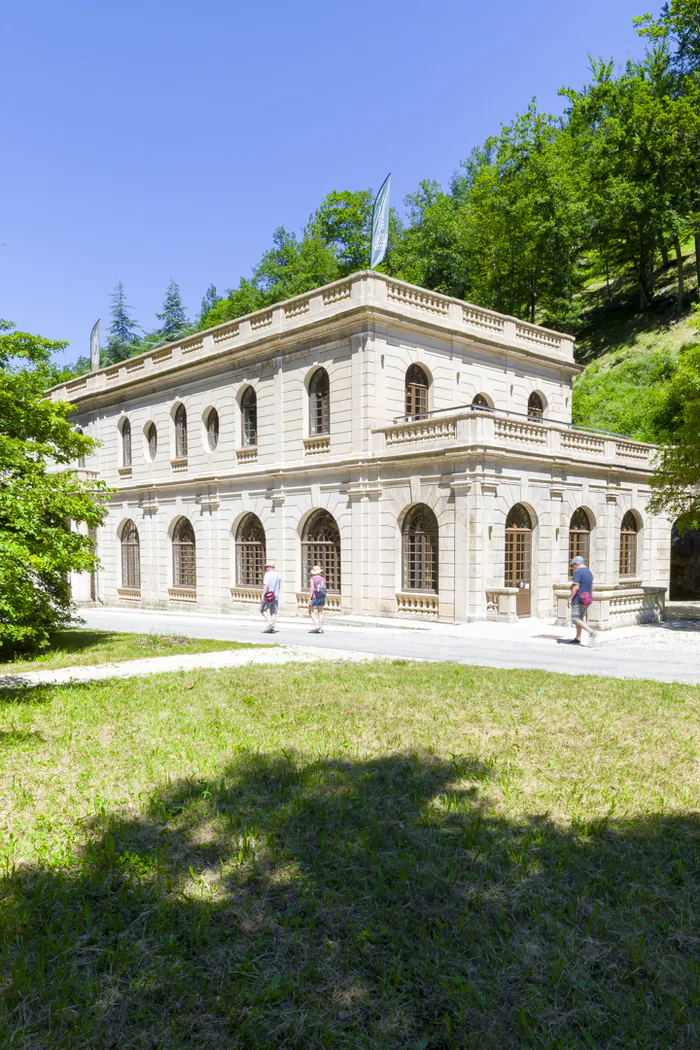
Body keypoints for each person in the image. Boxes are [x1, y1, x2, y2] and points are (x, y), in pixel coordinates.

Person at [568, 555, 597, 645]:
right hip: (587, 599)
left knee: (575, 618)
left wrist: (570, 598)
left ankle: (591, 632)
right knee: (580, 618)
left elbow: (576, 587)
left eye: (573, 566)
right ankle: (578, 637)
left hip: (578, 599)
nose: (573, 568)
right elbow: (592, 587)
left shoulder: (578, 572)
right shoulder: (589, 572)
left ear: (576, 564)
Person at [260, 560, 281, 633]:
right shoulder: (278, 575)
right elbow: (279, 586)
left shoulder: (267, 574)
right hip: (276, 596)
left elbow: (266, 586)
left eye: (267, 567)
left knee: (263, 610)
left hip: (269, 596)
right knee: (273, 612)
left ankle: (270, 623)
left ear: (270, 567)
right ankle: (273, 627)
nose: (266, 568)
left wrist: (262, 595)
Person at [308, 564, 327, 633]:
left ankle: (317, 624)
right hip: (322, 596)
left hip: (315, 597)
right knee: (320, 612)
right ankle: (320, 628)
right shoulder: (323, 579)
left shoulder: (312, 579)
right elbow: (324, 588)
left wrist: (309, 598)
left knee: (310, 611)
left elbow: (312, 588)